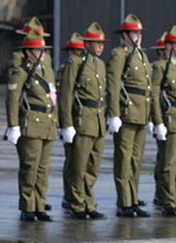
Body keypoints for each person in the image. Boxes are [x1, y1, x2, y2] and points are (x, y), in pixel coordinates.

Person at [5, 30, 58, 222]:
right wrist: (13, 125)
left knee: (43, 169)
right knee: (30, 167)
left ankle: (39, 205)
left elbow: (53, 99)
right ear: (28, 52)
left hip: (48, 124)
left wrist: (57, 122)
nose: (42, 53)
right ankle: (28, 207)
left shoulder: (47, 71)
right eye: (38, 50)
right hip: (31, 125)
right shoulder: (21, 72)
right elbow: (12, 100)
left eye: (43, 49)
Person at [58, 23, 108, 219]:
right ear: (87, 44)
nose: (101, 46)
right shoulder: (75, 64)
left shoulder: (100, 65)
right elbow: (66, 95)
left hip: (98, 121)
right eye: (97, 43)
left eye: (102, 43)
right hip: (82, 120)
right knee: (78, 166)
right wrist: (67, 123)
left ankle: (88, 202)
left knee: (93, 167)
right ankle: (77, 204)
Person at [107, 14, 152, 217]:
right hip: (127, 113)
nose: (138, 36)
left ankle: (133, 199)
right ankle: (124, 202)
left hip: (141, 113)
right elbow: (114, 85)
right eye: (134, 32)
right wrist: (114, 114)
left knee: (136, 160)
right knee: (124, 159)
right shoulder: (120, 54)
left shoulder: (141, 56)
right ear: (125, 35)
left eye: (139, 33)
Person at [150, 25, 176, 216]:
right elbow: (155, 95)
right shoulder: (160, 67)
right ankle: (168, 201)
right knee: (168, 163)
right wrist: (158, 122)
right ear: (169, 47)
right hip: (170, 120)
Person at [58, 33, 86, 211]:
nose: (75, 55)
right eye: (72, 51)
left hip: (82, 119)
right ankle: (69, 196)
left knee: (77, 162)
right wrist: (65, 123)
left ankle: (73, 196)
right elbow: (64, 97)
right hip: (72, 119)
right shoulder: (67, 68)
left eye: (78, 51)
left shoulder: (81, 67)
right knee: (72, 161)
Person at [149, 31, 167, 206]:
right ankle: (161, 194)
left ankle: (166, 194)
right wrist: (155, 120)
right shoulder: (158, 67)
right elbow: (154, 95)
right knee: (164, 160)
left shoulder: (173, 67)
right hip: (164, 116)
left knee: (169, 161)